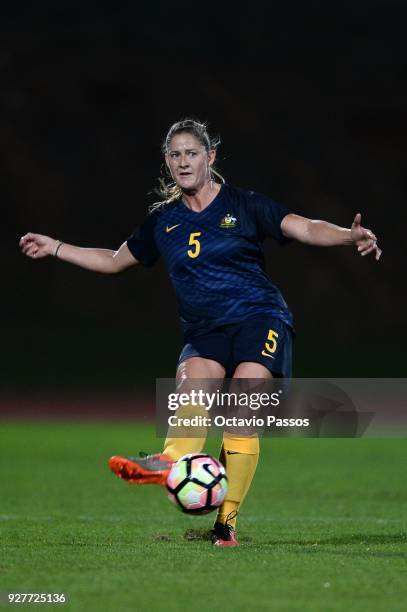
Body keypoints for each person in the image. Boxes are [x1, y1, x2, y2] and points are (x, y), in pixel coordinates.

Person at [19, 119, 382, 547]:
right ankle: (170, 461)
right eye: (174, 155)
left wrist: (347, 236)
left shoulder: (244, 205)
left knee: (241, 412)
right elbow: (115, 260)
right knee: (195, 388)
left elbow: (302, 227)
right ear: (167, 164)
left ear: (210, 157)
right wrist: (56, 247)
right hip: (205, 329)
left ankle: (225, 524)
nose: (183, 161)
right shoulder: (163, 222)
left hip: (259, 318)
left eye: (192, 153)